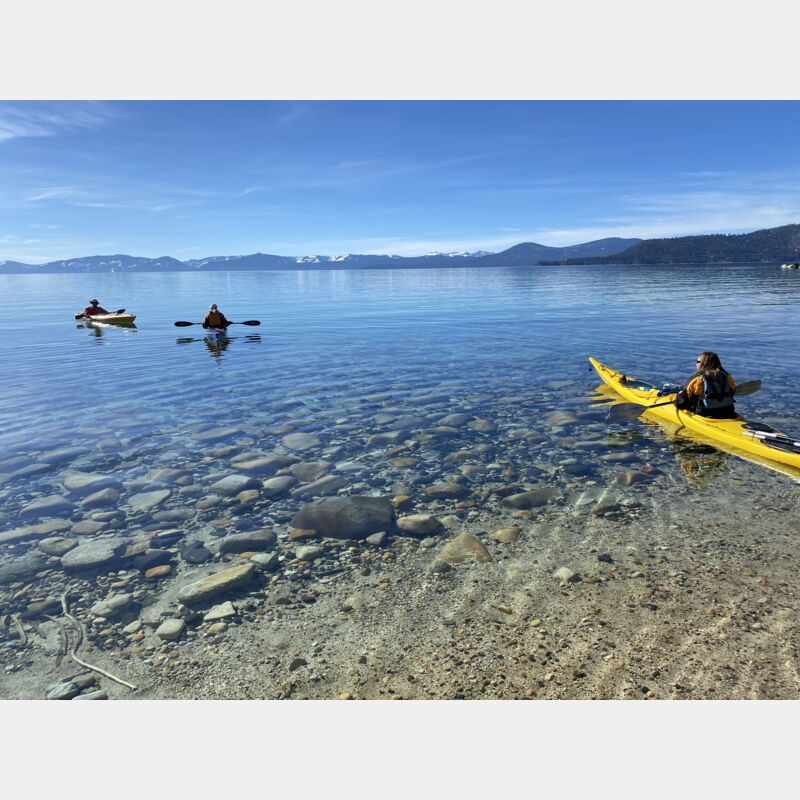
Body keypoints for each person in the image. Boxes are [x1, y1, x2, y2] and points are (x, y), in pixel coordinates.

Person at [675, 351, 737, 418]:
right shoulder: (727, 376)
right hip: (728, 411)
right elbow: (732, 391)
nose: (696, 364)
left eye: (697, 362)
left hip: (705, 413)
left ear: (703, 363)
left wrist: (678, 397)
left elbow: (681, 404)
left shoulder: (698, 378)